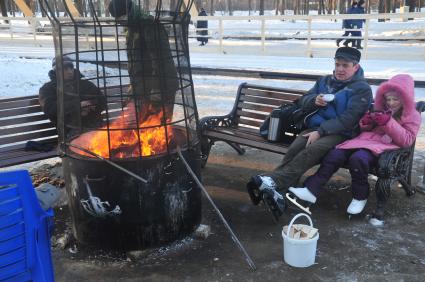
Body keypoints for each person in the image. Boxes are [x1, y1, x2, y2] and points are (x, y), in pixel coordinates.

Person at [247, 47, 373, 221]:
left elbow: (349, 119)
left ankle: (272, 181)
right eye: (337, 64)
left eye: (345, 65)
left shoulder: (362, 89)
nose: (340, 69)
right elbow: (301, 101)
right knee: (296, 148)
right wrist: (314, 100)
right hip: (315, 128)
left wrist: (320, 132)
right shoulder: (324, 81)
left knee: (312, 149)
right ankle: (277, 191)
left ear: (356, 67)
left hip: (342, 133)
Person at [288, 74, 421, 215]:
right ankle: (311, 189)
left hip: (385, 148)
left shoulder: (413, 115)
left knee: (358, 159)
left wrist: (388, 122)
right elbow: (365, 128)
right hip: (363, 140)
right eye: (388, 99)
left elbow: (407, 140)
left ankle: (360, 196)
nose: (391, 102)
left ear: (405, 98)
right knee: (335, 154)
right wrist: (366, 122)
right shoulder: (380, 107)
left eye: (395, 99)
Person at [108, 0, 179, 123]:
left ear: (129, 12)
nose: (119, 21)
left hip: (161, 88)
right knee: (143, 132)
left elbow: (162, 61)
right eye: (117, 19)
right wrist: (133, 91)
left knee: (158, 131)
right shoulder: (132, 29)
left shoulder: (149, 26)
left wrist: (157, 90)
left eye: (121, 17)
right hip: (144, 90)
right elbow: (136, 64)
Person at [38, 56, 105, 136]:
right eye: (65, 69)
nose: (70, 71)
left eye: (71, 68)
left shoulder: (86, 84)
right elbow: (50, 109)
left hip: (96, 125)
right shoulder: (48, 89)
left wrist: (91, 105)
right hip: (70, 130)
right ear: (56, 71)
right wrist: (78, 106)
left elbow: (102, 101)